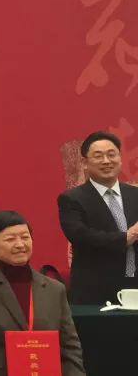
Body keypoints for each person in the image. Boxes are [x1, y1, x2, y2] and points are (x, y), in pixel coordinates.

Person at [0, 211, 84, 376]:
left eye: (25, 237)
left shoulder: (55, 289)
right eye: (10, 239)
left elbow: (70, 346)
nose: (20, 244)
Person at [58, 131, 138, 305]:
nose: (106, 161)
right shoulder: (72, 199)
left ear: (120, 158)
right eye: (98, 156)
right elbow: (80, 235)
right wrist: (126, 237)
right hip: (95, 290)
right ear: (84, 163)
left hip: (134, 286)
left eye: (111, 154)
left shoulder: (135, 194)